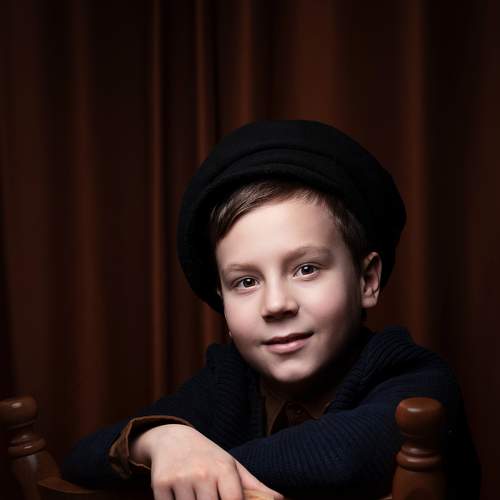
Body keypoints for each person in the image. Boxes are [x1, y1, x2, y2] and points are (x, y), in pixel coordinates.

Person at [62, 120, 480, 500]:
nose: (276, 304)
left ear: (367, 280)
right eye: (246, 281)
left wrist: (205, 468)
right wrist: (163, 440)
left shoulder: (417, 379)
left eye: (306, 269)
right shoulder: (227, 383)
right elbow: (80, 460)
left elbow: (342, 458)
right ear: (223, 302)